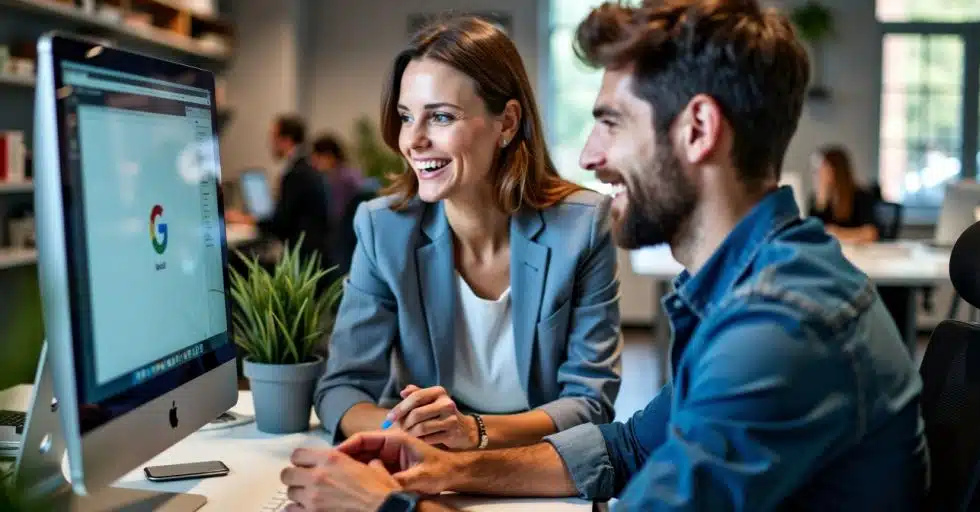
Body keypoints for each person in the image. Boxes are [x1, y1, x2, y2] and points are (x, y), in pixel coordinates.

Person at [278, 1, 927, 511]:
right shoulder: (753, 284)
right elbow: (627, 446)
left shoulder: (781, 327)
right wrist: (446, 469)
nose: (589, 156)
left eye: (612, 122)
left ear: (697, 130)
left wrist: (388, 503)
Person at [310, 15, 624, 459]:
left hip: (538, 462)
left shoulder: (582, 227)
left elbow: (591, 401)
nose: (413, 141)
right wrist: (402, 432)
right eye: (405, 117)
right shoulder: (384, 228)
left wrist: (473, 431)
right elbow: (342, 388)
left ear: (508, 123)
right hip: (431, 462)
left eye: (440, 116)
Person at [226, 114, 334, 270]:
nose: (270, 143)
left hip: (302, 262)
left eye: (273, 137)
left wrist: (244, 219)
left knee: (235, 260)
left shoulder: (296, 174)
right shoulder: (307, 167)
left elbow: (279, 225)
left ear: (286, 140)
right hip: (315, 256)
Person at [808, 145, 880, 244]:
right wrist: (821, 202)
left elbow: (870, 233)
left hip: (858, 253)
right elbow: (812, 232)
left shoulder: (861, 196)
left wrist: (839, 233)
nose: (819, 173)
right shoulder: (817, 198)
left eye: (823, 167)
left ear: (836, 169)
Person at [309, 133, 369, 221]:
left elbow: (338, 214)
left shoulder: (344, 178)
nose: (314, 164)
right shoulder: (334, 176)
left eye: (317, 158)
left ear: (328, 156)